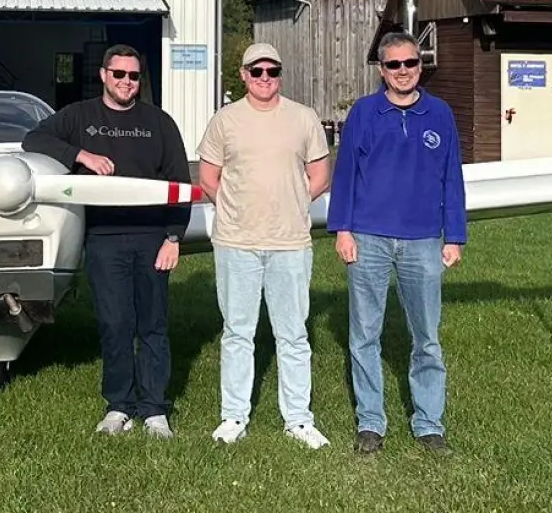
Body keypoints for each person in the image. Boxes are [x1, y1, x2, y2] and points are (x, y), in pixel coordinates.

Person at [21, 44, 193, 439]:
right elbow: (34, 140)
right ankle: (119, 405)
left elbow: (180, 183)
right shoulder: (80, 116)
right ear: (104, 75)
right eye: (119, 75)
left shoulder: (159, 122)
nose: (127, 83)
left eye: (133, 76)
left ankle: (154, 409)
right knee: (115, 324)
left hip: (152, 238)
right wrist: (81, 154)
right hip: (103, 238)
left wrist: (173, 237)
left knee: (152, 324)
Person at [328, 30, 465, 455]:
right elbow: (345, 174)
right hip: (368, 237)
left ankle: (429, 423)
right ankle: (371, 421)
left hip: (423, 239)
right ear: (381, 69)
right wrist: (343, 231)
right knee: (364, 335)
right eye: (394, 65)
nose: (402, 71)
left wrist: (454, 236)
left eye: (410, 63)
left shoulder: (440, 114)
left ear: (420, 67)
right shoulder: (364, 114)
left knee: (426, 337)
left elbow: (452, 178)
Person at [196, 43, 331, 449]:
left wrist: (289, 204)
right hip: (236, 243)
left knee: (293, 335)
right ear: (243, 75)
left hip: (290, 243)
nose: (266, 78)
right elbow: (208, 178)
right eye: (258, 71)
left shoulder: (304, 119)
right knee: (238, 332)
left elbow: (320, 176)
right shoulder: (225, 120)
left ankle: (299, 420)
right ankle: (234, 416)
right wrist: (238, 211)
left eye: (273, 71)